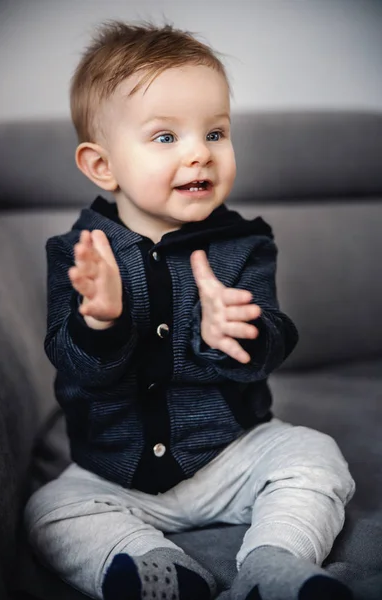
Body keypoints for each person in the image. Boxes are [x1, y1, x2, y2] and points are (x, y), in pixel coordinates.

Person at [24, 20, 355, 600]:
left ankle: (273, 565)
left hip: (231, 452)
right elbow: (76, 367)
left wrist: (235, 332)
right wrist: (98, 323)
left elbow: (267, 348)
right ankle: (156, 568)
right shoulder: (79, 255)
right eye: (165, 137)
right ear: (103, 166)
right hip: (113, 471)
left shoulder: (245, 245)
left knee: (315, 456)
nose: (200, 153)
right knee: (48, 510)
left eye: (217, 133)